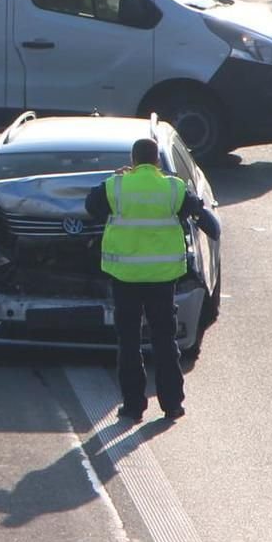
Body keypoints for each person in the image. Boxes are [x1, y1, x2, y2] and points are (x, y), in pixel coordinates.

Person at [84, 133, 220, 423]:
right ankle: (172, 405)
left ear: (132, 161)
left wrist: (116, 178)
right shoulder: (173, 188)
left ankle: (133, 407)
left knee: (129, 341)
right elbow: (199, 215)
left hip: (125, 276)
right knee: (164, 339)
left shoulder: (117, 185)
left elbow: (91, 207)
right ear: (157, 160)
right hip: (162, 277)